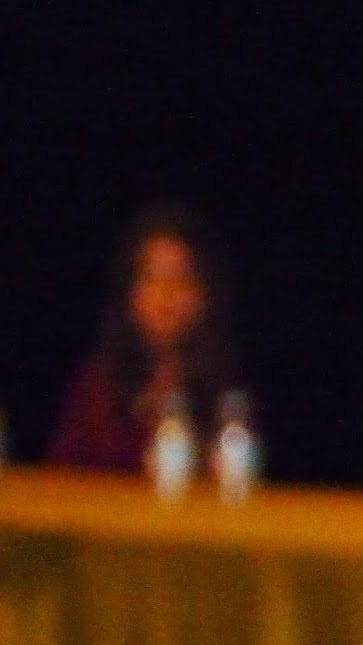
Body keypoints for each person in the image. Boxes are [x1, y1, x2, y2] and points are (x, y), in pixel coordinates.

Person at [48, 202, 241, 472]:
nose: (166, 295)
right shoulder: (97, 385)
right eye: (152, 277)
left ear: (206, 294)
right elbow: (59, 479)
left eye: (181, 278)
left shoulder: (226, 392)